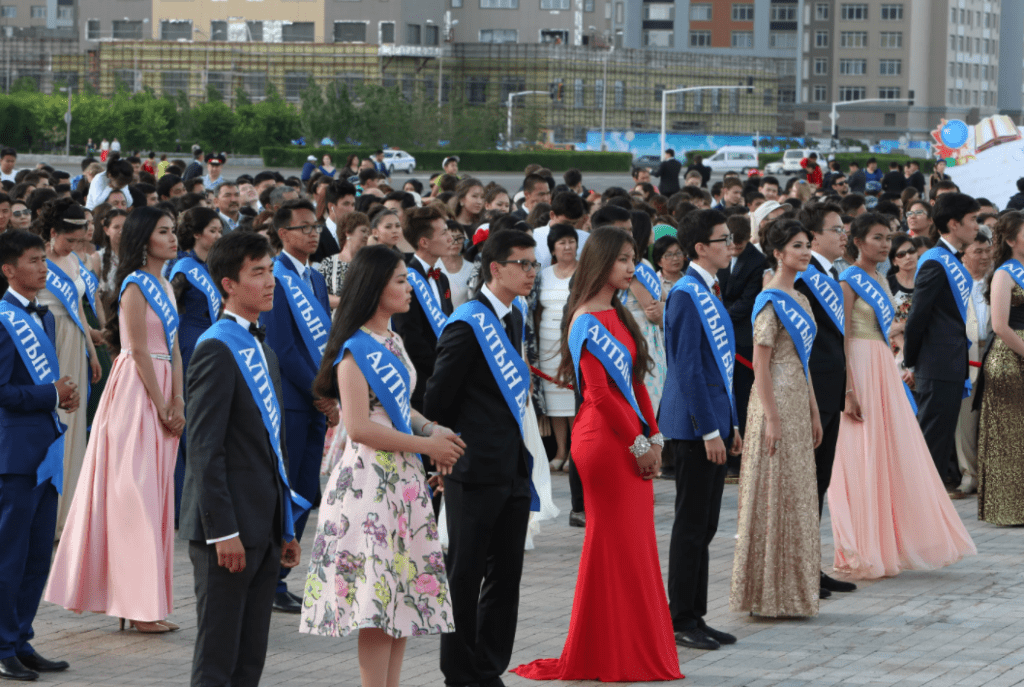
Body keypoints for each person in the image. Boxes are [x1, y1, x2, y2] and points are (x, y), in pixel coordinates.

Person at [513, 227, 680, 681]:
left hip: (630, 436)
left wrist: (657, 435)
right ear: (601, 262)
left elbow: (638, 381)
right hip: (604, 442)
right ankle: (608, 651)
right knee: (614, 546)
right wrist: (640, 444)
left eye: (633, 260)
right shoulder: (586, 317)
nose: (632, 268)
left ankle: (623, 647)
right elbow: (603, 395)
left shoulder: (619, 314)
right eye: (624, 260)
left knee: (633, 546)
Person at [300, 244, 463, 685]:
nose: (408, 287)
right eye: (399, 280)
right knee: (376, 600)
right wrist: (426, 446)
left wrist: (432, 428)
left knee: (402, 595)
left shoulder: (392, 340)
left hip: (403, 481)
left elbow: (399, 408)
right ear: (374, 288)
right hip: (369, 483)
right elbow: (359, 428)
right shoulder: (354, 352)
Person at [45, 206, 185, 633]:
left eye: (174, 230)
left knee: (157, 495)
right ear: (145, 240)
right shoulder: (133, 287)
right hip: (135, 391)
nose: (173, 238)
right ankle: (134, 604)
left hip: (164, 385)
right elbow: (138, 348)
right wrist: (161, 401)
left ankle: (143, 601)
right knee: (133, 495)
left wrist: (179, 399)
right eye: (164, 231)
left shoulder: (166, 284)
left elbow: (174, 348)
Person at [180, 230, 303, 686]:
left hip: (265, 525)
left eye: (271, 270)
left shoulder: (264, 349)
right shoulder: (216, 347)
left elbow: (274, 448)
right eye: (258, 273)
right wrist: (222, 531)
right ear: (228, 284)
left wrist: (285, 524)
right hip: (227, 530)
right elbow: (205, 449)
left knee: (250, 660)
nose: (271, 281)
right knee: (217, 659)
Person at [829, 213, 977, 578]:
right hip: (860, 368)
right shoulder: (848, 280)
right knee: (864, 456)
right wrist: (848, 389)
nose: (884, 244)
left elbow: (886, 327)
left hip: (882, 363)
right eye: (877, 238)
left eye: (887, 238)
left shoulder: (879, 277)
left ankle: (890, 540)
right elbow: (843, 336)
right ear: (857, 242)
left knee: (889, 452)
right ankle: (863, 545)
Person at [424, 230, 538, 687]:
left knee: (506, 575)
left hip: (510, 468)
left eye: (534, 264)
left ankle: (488, 666)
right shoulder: (469, 323)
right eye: (524, 264)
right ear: (496, 268)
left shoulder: (514, 315)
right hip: (473, 469)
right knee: (465, 574)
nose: (532, 272)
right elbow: (437, 399)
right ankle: (460, 671)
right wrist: (446, 455)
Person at [730, 218, 822, 618]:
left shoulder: (800, 299)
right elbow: (760, 366)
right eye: (797, 246)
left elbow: (805, 362)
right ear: (778, 252)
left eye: (808, 245)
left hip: (799, 399)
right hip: (774, 401)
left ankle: (793, 592)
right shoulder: (770, 300)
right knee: (773, 491)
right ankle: (767, 594)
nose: (805, 252)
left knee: (798, 494)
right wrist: (771, 418)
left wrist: (815, 409)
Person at [661, 209, 742, 650]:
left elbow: (720, 368)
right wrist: (709, 429)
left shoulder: (708, 289)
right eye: (722, 238)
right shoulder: (686, 294)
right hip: (694, 427)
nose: (729, 244)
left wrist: (730, 423)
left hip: (712, 420)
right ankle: (679, 618)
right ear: (700, 248)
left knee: (706, 523)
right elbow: (687, 368)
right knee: (691, 524)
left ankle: (696, 614)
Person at [0, 230, 77, 681]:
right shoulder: (4, 318)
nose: (43, 268)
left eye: (44, 260)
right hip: (14, 456)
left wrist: (57, 398)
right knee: (9, 556)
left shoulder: (43, 316)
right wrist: (48, 393)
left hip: (46, 449)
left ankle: (21, 638)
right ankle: (3, 644)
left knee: (35, 557)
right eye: (34, 261)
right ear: (9, 270)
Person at [259, 199, 336, 613]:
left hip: (315, 403)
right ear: (283, 234)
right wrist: (320, 394)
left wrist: (331, 392)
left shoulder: (317, 279)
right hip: (291, 401)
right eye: (304, 227)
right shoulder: (275, 275)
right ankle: (266, 577)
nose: (313, 233)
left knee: (307, 490)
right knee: (287, 489)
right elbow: (283, 348)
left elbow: (324, 343)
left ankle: (278, 576)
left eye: (317, 226)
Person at [793, 201, 858, 597]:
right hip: (812, 390)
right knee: (808, 481)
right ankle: (802, 571)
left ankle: (813, 567)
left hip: (832, 389)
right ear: (814, 236)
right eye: (836, 229)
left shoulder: (830, 274)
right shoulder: (803, 277)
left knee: (821, 480)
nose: (843, 235)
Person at [35, 199, 101, 540]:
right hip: (48, 340)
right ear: (52, 233)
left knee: (75, 427)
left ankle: (68, 514)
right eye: (69, 240)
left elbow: (78, 309)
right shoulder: (37, 259)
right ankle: (47, 512)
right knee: (52, 421)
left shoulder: (76, 261)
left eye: (80, 240)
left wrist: (91, 353)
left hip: (75, 341)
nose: (75, 247)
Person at [904, 192, 980, 487]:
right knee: (930, 445)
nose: (976, 226)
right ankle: (917, 509)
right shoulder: (935, 262)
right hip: (936, 366)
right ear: (953, 223)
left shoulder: (949, 259)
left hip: (949, 365)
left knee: (939, 443)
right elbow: (917, 318)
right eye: (972, 220)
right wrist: (912, 362)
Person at [168, 208, 224, 529]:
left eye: (220, 230)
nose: (218, 236)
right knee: (191, 423)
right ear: (198, 234)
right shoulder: (183, 269)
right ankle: (181, 504)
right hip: (191, 344)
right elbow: (169, 309)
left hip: (212, 342)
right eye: (213, 230)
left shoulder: (212, 267)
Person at [977, 213, 1024, 524]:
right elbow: (999, 325)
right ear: (1010, 240)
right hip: (1009, 359)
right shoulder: (1005, 275)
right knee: (1010, 436)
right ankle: (1008, 508)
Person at [718, 213, 767, 480]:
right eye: (730, 245)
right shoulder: (721, 254)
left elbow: (749, 300)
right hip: (721, 332)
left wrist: (720, 316)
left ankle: (741, 459)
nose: (733, 250)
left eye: (738, 246)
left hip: (742, 337)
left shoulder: (758, 262)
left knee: (741, 398)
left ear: (748, 239)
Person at [392, 206, 454, 416]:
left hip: (444, 379)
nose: (450, 237)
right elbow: (409, 336)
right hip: (421, 381)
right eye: (444, 232)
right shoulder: (405, 278)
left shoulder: (441, 278)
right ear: (424, 242)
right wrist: (442, 369)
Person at [536, 224, 578, 471]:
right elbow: (538, 310)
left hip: (571, 339)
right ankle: (561, 450)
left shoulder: (583, 271)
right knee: (553, 400)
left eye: (571, 241)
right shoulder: (544, 274)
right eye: (562, 242)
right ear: (553, 248)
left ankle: (574, 449)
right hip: (546, 340)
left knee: (571, 397)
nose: (567, 246)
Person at [955, 228, 993, 497]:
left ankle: (995, 477)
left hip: (996, 352)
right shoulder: (954, 280)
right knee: (965, 419)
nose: (984, 256)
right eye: (977, 251)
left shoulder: (1002, 278)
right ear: (964, 254)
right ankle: (969, 476)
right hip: (965, 355)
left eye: (987, 250)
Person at [319, 211, 369, 311]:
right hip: (338, 323)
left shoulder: (369, 264)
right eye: (363, 231)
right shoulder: (329, 263)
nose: (367, 235)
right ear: (348, 232)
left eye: (368, 232)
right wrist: (347, 302)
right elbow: (320, 296)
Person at [313, 180, 357, 265]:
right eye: (346, 204)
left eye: (353, 205)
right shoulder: (317, 236)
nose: (351, 209)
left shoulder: (356, 234)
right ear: (331, 207)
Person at [439, 222, 474, 308]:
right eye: (450, 238)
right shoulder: (432, 266)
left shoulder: (472, 268)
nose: (455, 242)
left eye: (459, 238)